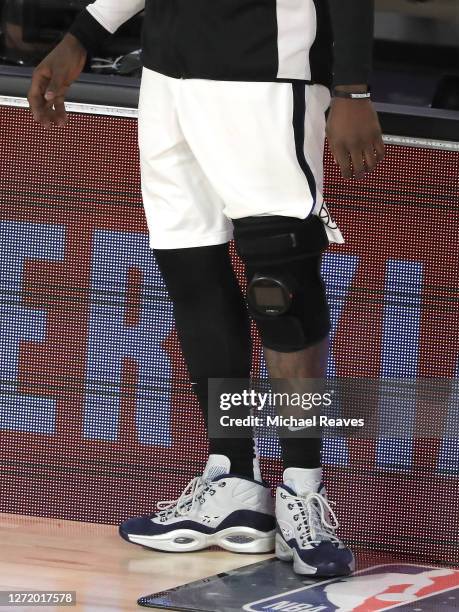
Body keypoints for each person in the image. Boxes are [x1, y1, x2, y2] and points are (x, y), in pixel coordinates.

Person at [27, 0, 385, 577]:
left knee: (279, 288)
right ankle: (234, 481)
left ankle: (301, 493)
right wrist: (83, 36)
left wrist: (354, 88)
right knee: (192, 276)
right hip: (167, 78)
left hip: (265, 74)